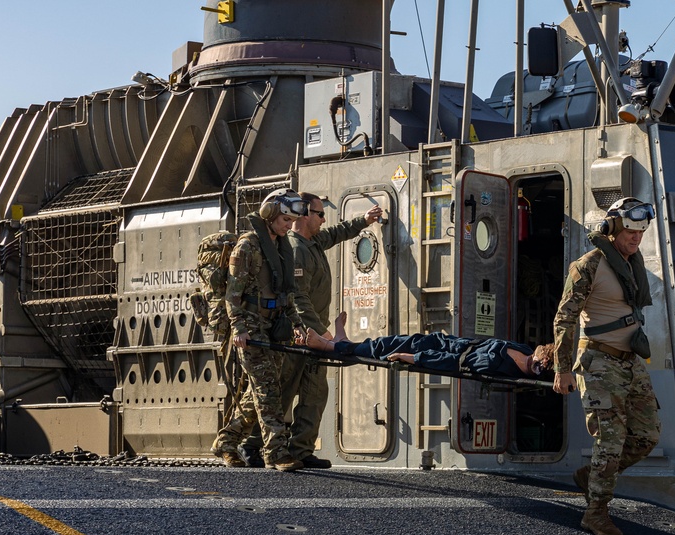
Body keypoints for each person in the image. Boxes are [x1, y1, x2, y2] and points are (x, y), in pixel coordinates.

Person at [552, 197, 662, 535]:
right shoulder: (589, 265)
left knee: (646, 436)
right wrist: (563, 368)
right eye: (630, 231)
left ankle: (592, 476)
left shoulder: (631, 263)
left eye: (641, 232)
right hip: (598, 361)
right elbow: (564, 317)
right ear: (613, 228)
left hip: (630, 361)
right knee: (610, 441)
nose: (636, 238)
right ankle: (596, 512)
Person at [279, 194, 384, 469]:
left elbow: (337, 233)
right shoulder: (295, 249)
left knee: (315, 392)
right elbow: (298, 298)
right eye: (320, 214)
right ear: (304, 215)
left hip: (314, 337)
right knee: (283, 392)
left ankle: (301, 450)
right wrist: (323, 333)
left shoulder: (313, 243)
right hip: (299, 336)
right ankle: (261, 447)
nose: (324, 220)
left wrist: (364, 221)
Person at [213, 189, 308, 472]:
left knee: (258, 394)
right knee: (267, 392)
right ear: (269, 214)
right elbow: (233, 295)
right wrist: (239, 328)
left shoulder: (280, 247)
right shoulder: (248, 246)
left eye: (291, 221)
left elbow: (286, 293)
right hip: (251, 328)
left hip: (274, 326)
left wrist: (297, 324)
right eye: (284, 219)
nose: (288, 226)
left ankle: (226, 441)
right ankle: (276, 453)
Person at [306, 312, 554, 379]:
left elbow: (456, 364)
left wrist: (414, 358)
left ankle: (330, 346)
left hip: (445, 351)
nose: (534, 363)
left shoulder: (499, 365)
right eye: (539, 359)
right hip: (448, 342)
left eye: (538, 368)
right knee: (387, 342)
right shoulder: (522, 349)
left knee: (387, 348)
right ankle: (343, 342)